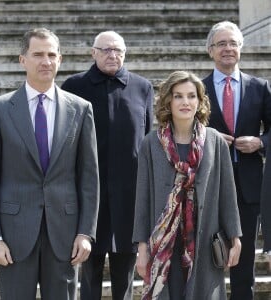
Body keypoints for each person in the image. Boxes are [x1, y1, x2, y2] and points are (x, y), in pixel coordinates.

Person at [0, 28, 99, 300]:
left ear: (60, 59)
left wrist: (85, 233)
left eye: (51, 55)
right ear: (23, 60)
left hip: (65, 236)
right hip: (13, 236)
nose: (46, 61)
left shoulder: (81, 109)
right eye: (38, 54)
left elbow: (89, 177)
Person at [132, 70, 242, 299]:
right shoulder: (150, 144)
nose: (185, 102)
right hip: (163, 243)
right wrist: (142, 249)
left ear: (200, 101)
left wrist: (235, 237)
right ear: (168, 101)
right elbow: (142, 199)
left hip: (204, 239)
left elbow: (227, 194)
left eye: (191, 96)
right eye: (178, 96)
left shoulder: (214, 141)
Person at [61, 30, 154, 300]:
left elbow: (147, 137)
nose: (113, 55)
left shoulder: (142, 87)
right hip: (89, 192)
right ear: (93, 53)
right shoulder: (73, 86)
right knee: (89, 270)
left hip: (128, 194)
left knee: (124, 273)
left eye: (118, 51)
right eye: (106, 50)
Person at [203, 21, 271, 300]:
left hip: (248, 186)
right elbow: (179, 130)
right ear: (210, 51)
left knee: (243, 264)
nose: (228, 48)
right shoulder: (197, 88)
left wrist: (260, 142)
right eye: (221, 44)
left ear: (241, 48)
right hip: (208, 184)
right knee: (206, 259)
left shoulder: (260, 87)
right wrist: (208, 136)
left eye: (233, 43)